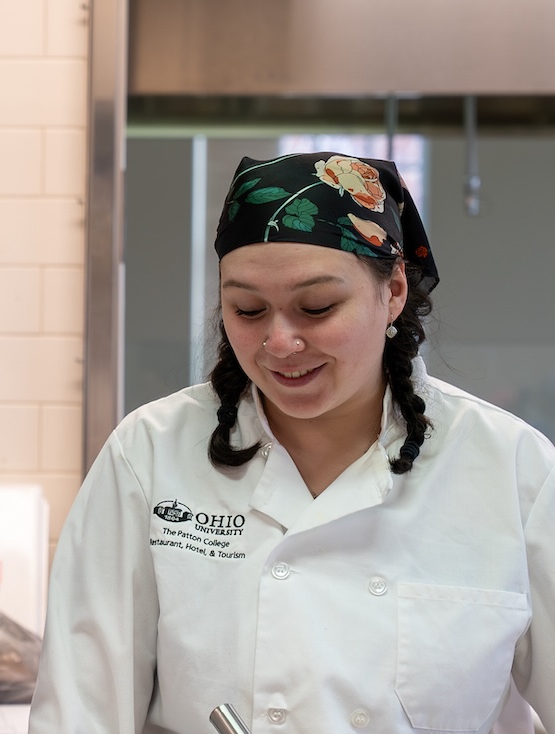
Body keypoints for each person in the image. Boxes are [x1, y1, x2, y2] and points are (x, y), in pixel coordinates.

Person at [28, 152, 554, 733]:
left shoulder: (511, 469)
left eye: (317, 307)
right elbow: (82, 709)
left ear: (395, 290)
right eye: (247, 309)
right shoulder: (150, 454)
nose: (280, 343)